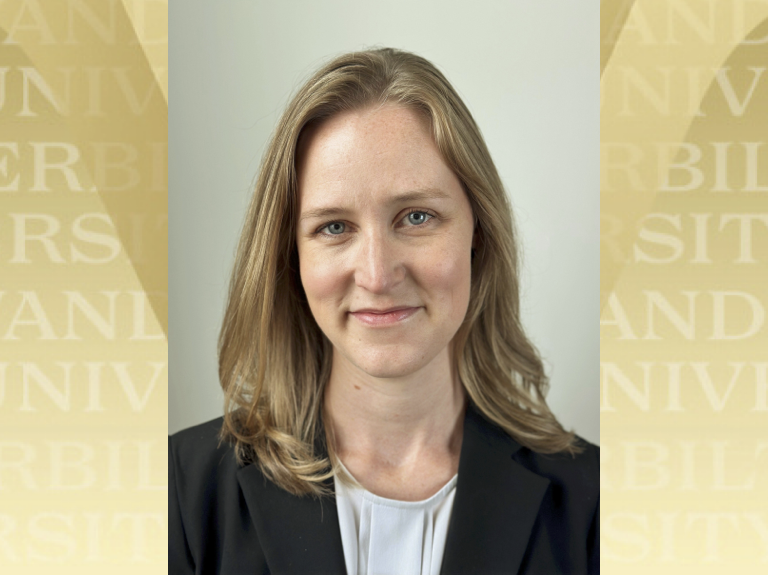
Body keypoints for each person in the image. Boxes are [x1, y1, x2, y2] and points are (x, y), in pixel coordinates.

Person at [169, 48, 599, 575]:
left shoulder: (598, 506)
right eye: (334, 227)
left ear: (478, 236)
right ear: (291, 256)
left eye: (416, 217)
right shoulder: (177, 496)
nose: (376, 274)